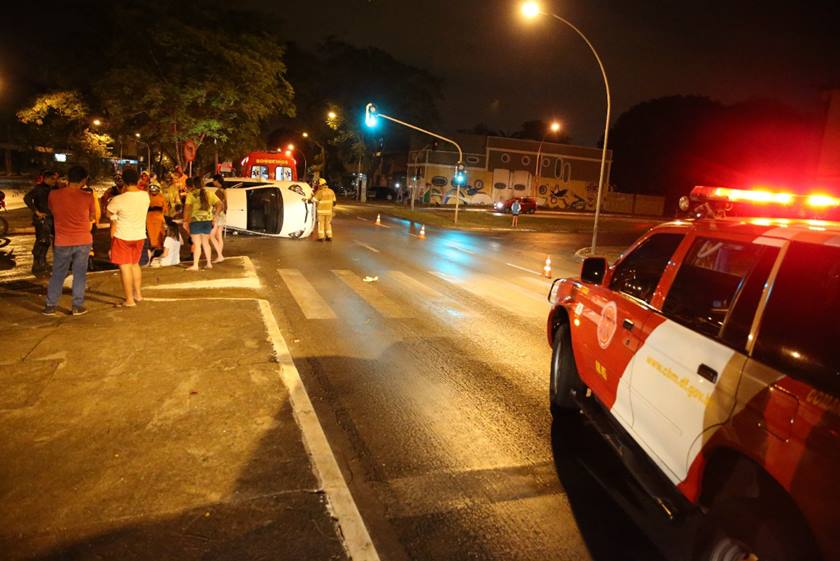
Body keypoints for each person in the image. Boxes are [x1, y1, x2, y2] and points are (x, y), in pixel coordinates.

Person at [42, 165, 96, 316]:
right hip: (83, 240)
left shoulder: (54, 195)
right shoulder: (88, 196)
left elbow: (53, 211)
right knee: (79, 273)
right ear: (84, 180)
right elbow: (92, 217)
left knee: (58, 273)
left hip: (62, 240)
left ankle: (50, 305)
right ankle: (77, 306)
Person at [107, 166, 150, 307]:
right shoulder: (145, 196)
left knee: (125, 267)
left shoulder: (118, 199)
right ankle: (138, 294)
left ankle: (129, 300)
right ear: (138, 179)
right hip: (139, 235)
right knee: (135, 265)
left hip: (123, 236)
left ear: (123, 181)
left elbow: (108, 213)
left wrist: (115, 216)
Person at [24, 169, 59, 276]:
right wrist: (37, 212)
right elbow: (27, 198)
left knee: (53, 241)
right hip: (42, 218)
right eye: (52, 179)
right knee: (43, 240)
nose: (54, 181)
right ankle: (38, 263)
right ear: (46, 178)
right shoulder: (38, 189)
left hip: (53, 217)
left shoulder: (54, 188)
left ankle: (43, 262)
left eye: (56, 179)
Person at [183, 177, 222, 270]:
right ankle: (209, 263)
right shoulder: (209, 193)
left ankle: (195, 265)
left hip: (195, 222)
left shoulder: (191, 195)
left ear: (193, 185)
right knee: (205, 243)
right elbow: (220, 204)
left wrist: (185, 221)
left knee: (197, 244)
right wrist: (215, 216)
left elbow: (187, 209)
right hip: (207, 221)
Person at [208, 174, 226, 263]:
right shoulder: (224, 190)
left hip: (218, 214)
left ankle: (220, 255)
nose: (212, 182)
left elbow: (219, 205)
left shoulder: (219, 191)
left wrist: (215, 215)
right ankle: (220, 256)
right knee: (219, 236)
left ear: (217, 181)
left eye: (213, 180)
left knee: (211, 236)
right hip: (222, 215)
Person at [313, 177, 336, 241]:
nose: (318, 186)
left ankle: (321, 237)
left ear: (320, 185)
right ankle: (329, 236)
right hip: (329, 212)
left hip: (321, 212)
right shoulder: (331, 191)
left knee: (321, 224)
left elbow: (313, 200)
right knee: (328, 224)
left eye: (319, 185)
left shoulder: (320, 192)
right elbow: (334, 202)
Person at [146, 183, 168, 250]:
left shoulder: (161, 197)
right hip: (150, 220)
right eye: (152, 189)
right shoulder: (147, 197)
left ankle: (159, 249)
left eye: (155, 189)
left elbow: (165, 209)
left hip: (158, 219)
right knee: (152, 236)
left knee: (160, 234)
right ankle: (154, 249)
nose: (154, 191)